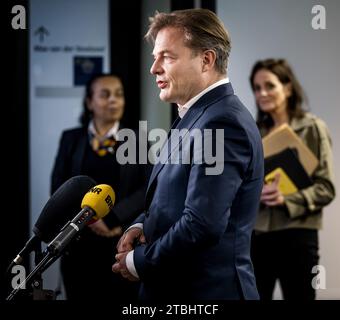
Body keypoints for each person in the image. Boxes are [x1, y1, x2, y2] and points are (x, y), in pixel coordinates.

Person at [112, 9, 264, 300]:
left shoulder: (222, 122)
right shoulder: (194, 115)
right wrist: (142, 224)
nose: (154, 68)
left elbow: (202, 224)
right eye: (155, 56)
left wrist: (138, 261)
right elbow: (176, 197)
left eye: (167, 57)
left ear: (206, 59)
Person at [51, 73, 150, 300]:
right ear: (89, 102)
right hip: (78, 244)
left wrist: (113, 218)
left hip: (121, 244)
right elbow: (59, 189)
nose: (113, 100)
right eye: (105, 95)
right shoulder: (71, 139)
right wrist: (91, 219)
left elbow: (147, 188)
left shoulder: (137, 139)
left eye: (119, 94)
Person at [249, 58, 336, 300]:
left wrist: (286, 198)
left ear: (287, 88)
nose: (262, 93)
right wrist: (256, 193)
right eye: (256, 88)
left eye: (269, 85)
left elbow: (326, 188)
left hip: (298, 236)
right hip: (258, 236)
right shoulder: (253, 133)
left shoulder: (313, 128)